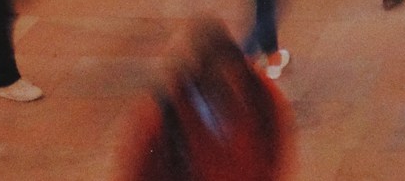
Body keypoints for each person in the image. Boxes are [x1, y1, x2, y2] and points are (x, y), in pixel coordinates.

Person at [114, 20, 294, 181]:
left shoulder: (261, 96)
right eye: (219, 77)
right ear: (200, 75)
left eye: (233, 74)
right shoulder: (165, 119)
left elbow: (276, 152)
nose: (231, 85)